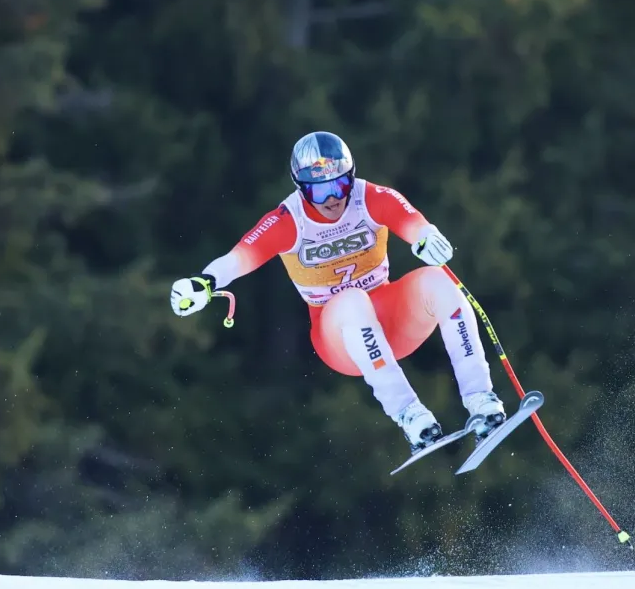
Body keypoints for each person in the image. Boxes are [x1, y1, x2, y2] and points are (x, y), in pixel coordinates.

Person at [169, 131, 507, 455]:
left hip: (392, 322)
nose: (332, 198)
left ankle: (482, 400)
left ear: (351, 177)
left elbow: (413, 222)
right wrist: (205, 282)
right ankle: (411, 416)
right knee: (351, 301)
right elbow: (240, 257)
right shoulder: (289, 220)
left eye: (340, 184)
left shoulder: (370, 197)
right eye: (319, 191)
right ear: (302, 189)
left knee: (439, 281)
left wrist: (426, 237)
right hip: (339, 338)